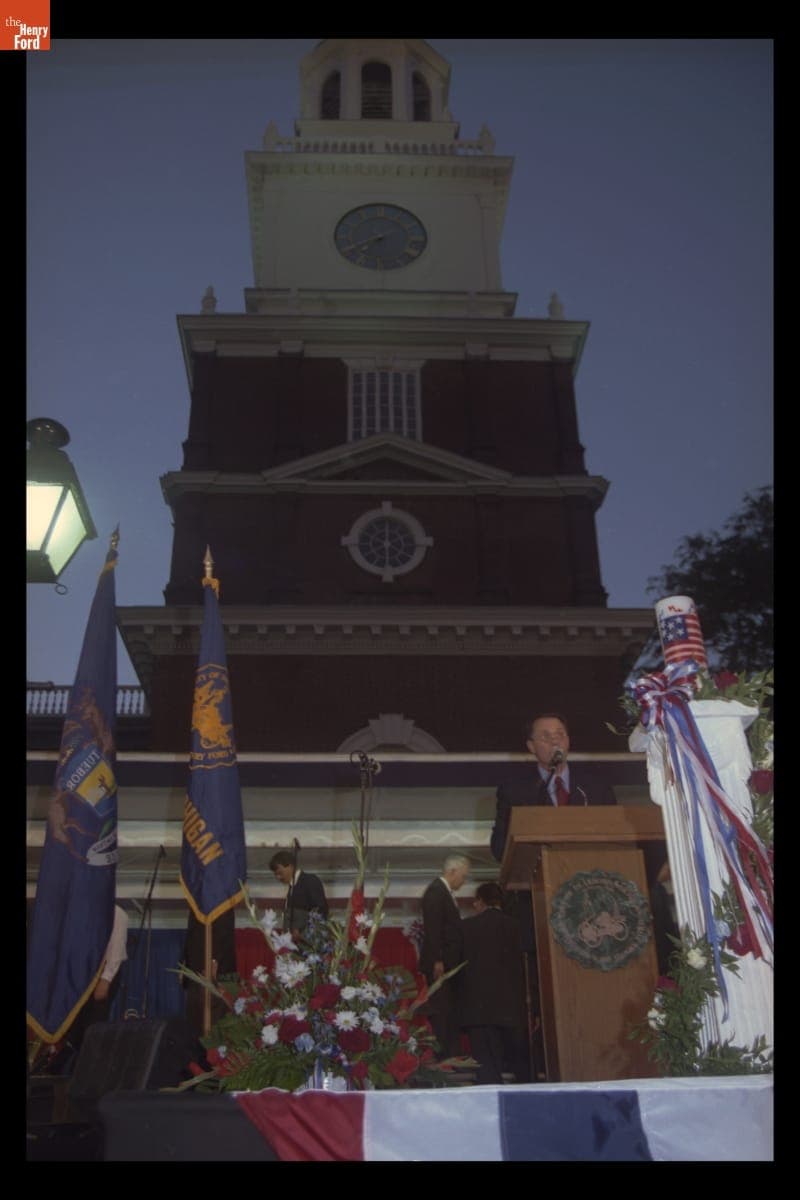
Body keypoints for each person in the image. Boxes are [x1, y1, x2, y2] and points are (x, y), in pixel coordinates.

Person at [490, 712, 616, 862]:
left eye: (560, 735)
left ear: (568, 741)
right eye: (546, 737)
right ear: (531, 746)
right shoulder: (514, 791)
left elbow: (616, 833)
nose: (555, 742)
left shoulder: (596, 786)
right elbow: (500, 847)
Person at [458, 882, 528, 1084]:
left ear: (480, 901)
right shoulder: (516, 926)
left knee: (487, 1075)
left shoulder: (467, 927)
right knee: (522, 1071)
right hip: (513, 1009)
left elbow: (458, 970)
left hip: (479, 1011)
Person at [418, 853, 470, 1060]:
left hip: (448, 964)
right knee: (442, 1013)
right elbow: (433, 929)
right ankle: (444, 1058)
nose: (464, 881)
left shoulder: (442, 892)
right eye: (463, 876)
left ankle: (450, 1055)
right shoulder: (436, 892)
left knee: (448, 1012)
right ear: (452, 871)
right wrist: (437, 959)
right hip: (441, 965)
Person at [182, 906, 237, 1039]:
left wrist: (213, 966)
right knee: (195, 1034)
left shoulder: (220, 895)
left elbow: (224, 936)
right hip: (196, 972)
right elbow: (192, 934)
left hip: (217, 975)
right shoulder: (197, 897)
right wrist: (185, 962)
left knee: (216, 1037)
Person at [269, 848, 328, 940]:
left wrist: (301, 931)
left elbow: (321, 910)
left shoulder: (310, 880)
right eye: (276, 874)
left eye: (280, 873)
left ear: (290, 866)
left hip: (309, 944)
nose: (278, 877)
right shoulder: (291, 887)